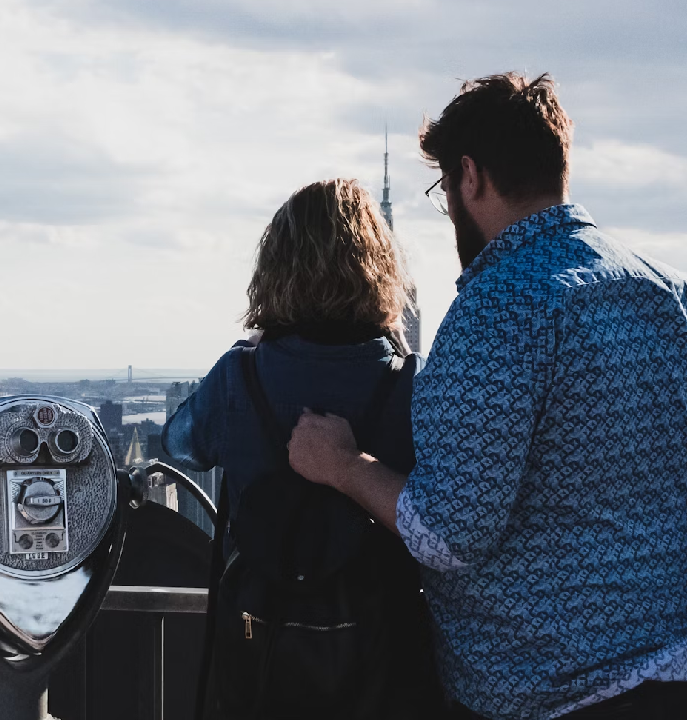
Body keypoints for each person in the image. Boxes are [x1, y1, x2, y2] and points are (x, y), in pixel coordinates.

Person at [288, 73, 687, 719]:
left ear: (469, 176)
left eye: (444, 186)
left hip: (551, 691)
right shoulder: (666, 291)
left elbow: (449, 532)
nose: (448, 205)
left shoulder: (501, 303)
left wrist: (343, 466)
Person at [163, 178, 442, 718]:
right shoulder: (412, 385)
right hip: (382, 658)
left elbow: (181, 441)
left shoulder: (240, 376)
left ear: (275, 268)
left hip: (264, 648)